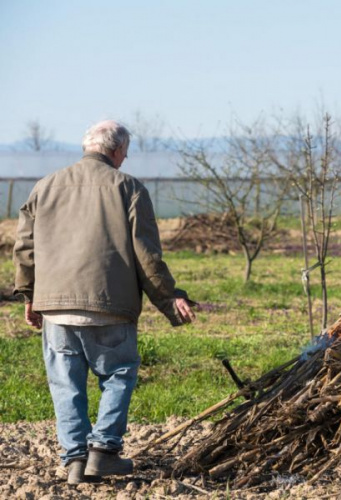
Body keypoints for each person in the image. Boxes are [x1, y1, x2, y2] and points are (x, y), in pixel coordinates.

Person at [13, 120, 196, 485]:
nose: (125, 159)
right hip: (110, 305)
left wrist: (30, 296)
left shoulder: (45, 186)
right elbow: (147, 254)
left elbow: (25, 249)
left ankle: (76, 461)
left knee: (66, 385)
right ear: (116, 150)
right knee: (118, 374)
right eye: (125, 152)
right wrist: (169, 298)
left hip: (57, 309)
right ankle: (104, 451)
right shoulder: (128, 187)